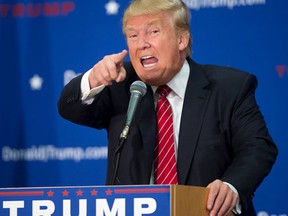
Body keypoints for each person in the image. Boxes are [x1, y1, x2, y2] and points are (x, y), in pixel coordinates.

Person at [58, 0, 278, 215]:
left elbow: (258, 148)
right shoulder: (120, 85)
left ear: (182, 39)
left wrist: (232, 186)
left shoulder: (229, 87)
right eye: (133, 35)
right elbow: (69, 108)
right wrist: (94, 79)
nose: (142, 43)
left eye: (153, 32)